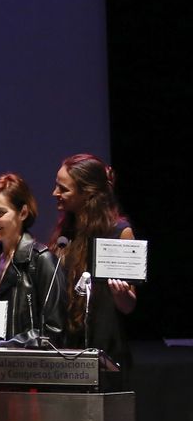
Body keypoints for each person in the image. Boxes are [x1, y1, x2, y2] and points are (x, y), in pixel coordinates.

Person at [52, 153, 137, 374]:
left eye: (64, 189)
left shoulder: (119, 233)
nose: (55, 193)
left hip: (105, 352)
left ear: (87, 193)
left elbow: (128, 306)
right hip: (68, 347)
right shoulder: (66, 231)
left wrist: (121, 293)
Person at [0, 174, 63, 351]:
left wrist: (0, 347)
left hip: (28, 374)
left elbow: (53, 335)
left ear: (23, 212)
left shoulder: (42, 260)